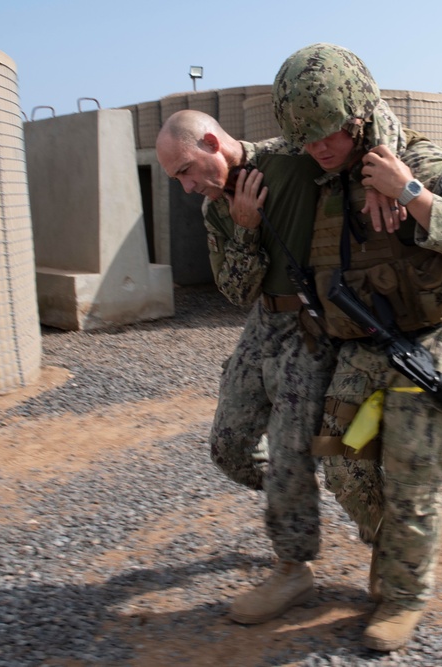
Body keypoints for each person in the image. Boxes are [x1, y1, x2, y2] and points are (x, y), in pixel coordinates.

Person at [270, 43, 442, 651]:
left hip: (429, 343)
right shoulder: (325, 180)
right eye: (307, 138)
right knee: (344, 463)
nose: (318, 147)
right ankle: (392, 551)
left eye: (329, 134)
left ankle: (403, 593)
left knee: (410, 472)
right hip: (365, 344)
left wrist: (412, 192)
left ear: (358, 115)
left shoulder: (421, 159)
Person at [155, 110, 334, 624]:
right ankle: (295, 490)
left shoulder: (295, 159)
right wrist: (244, 229)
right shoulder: (217, 208)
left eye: (187, 170)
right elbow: (235, 292)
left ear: (212, 141)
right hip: (264, 323)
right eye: (178, 179)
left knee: (288, 450)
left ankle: (293, 568)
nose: (188, 187)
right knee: (229, 447)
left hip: (316, 325)